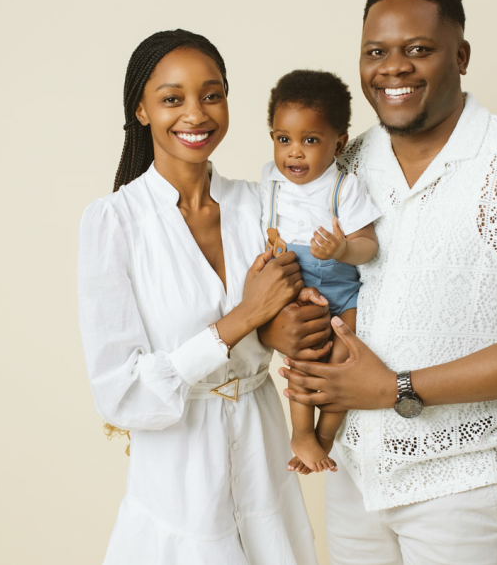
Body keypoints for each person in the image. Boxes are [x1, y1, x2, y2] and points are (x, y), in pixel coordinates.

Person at [262, 0, 497, 564]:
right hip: (354, 471)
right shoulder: (340, 159)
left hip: (463, 480)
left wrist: (396, 388)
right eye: (376, 52)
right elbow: (286, 276)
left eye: (417, 50)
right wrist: (280, 330)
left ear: (461, 55)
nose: (393, 68)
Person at [77, 29, 319, 565]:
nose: (196, 114)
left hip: (264, 461)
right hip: (177, 484)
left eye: (212, 94)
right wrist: (243, 320)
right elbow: (121, 394)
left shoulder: (263, 205)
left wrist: (275, 328)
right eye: (172, 98)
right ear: (141, 110)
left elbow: (307, 310)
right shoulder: (115, 224)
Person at [259, 70, 380, 474]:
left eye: (310, 140)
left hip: (343, 293)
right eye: (283, 139)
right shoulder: (270, 182)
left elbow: (369, 246)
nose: (294, 152)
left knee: (346, 359)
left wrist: (344, 248)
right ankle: (301, 432)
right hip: (297, 290)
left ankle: (325, 437)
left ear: (338, 142)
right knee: (306, 355)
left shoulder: (343, 188)